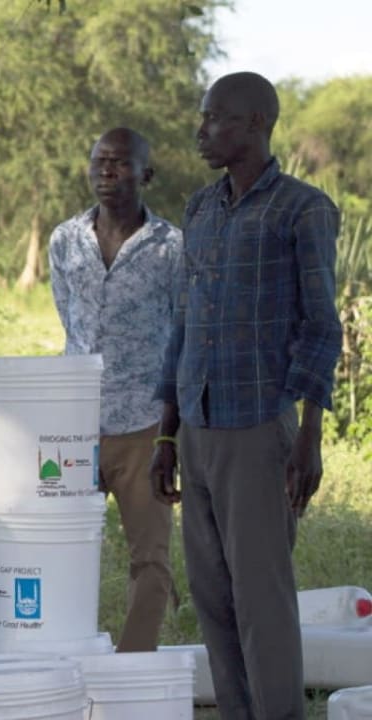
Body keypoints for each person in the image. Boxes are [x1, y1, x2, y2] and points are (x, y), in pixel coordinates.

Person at [151, 71, 342, 718]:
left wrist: (309, 437)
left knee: (262, 599)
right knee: (213, 596)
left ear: (257, 123)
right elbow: (184, 323)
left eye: (215, 119)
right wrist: (167, 434)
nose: (201, 131)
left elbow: (321, 327)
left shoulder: (302, 209)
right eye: (203, 118)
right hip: (198, 426)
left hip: (259, 428)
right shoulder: (201, 209)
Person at [49, 127, 181, 653]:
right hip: (73, 424)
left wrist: (173, 434)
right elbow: (69, 319)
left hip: (144, 425)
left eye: (121, 163)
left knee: (150, 558)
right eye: (99, 160)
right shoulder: (65, 240)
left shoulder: (171, 247)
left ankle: (132, 668)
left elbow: (181, 330)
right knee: (60, 549)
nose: (107, 171)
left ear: (145, 174)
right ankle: (59, 654)